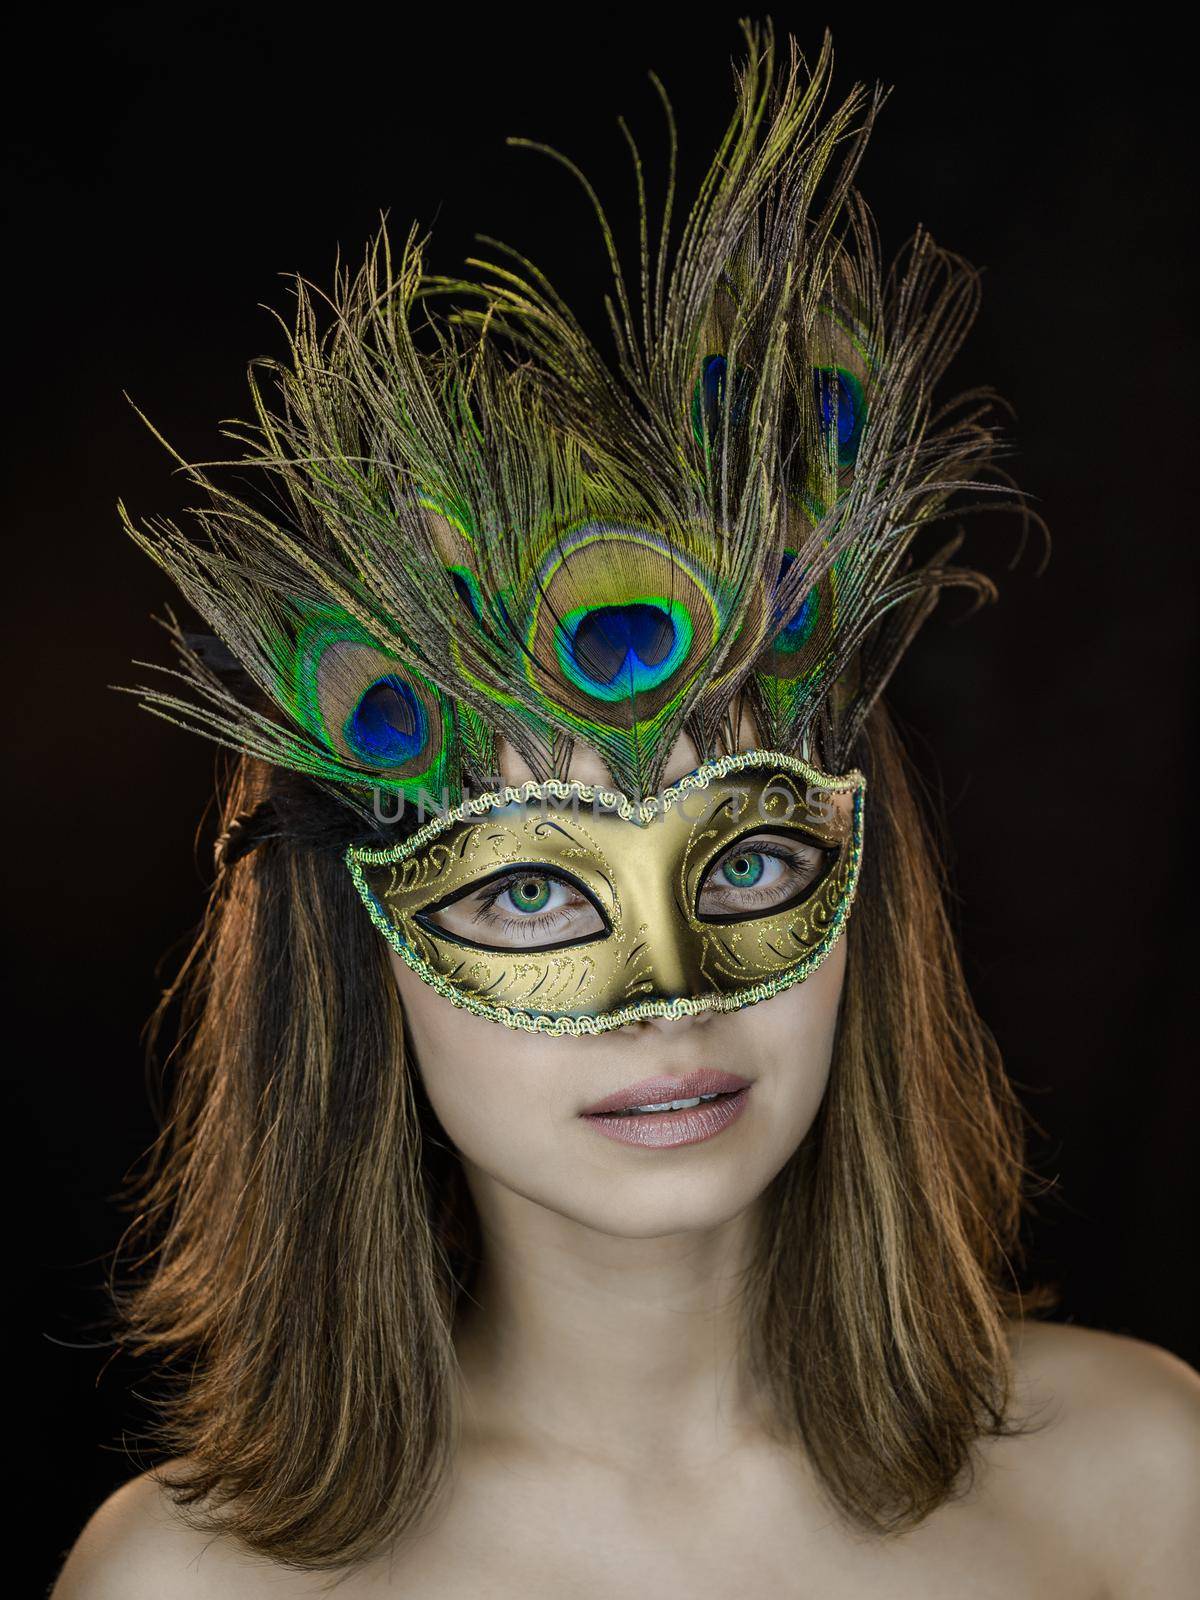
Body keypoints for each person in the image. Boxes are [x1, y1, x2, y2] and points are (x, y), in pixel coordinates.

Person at [52, 24, 1200, 1598]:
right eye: (527, 891)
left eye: (749, 860)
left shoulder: (1153, 1478)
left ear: (857, 893)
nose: (668, 994)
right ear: (363, 953)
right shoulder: (190, 1585)